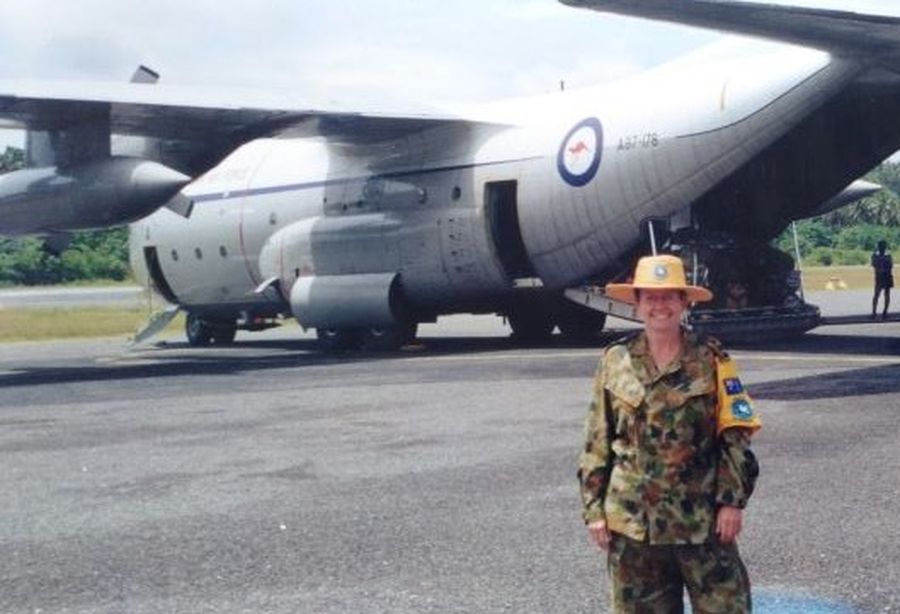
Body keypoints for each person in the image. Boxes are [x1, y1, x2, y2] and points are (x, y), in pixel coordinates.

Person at [579, 254, 760, 612]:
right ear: (638, 303)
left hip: (701, 521)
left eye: (668, 297)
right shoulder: (615, 361)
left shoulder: (712, 360)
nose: (659, 306)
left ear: (684, 302)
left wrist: (731, 501)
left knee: (728, 607)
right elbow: (597, 439)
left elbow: (735, 435)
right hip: (633, 527)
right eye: (650, 297)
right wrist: (594, 510)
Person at [871, 240, 893, 319]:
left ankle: (884, 312)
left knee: (885, 295)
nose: (882, 248)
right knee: (877, 295)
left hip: (885, 276)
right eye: (881, 246)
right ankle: (875, 312)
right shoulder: (877, 255)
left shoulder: (886, 255)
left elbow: (890, 265)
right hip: (881, 277)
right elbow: (874, 265)